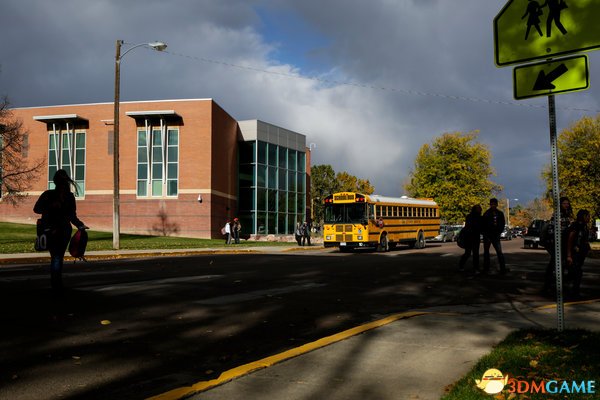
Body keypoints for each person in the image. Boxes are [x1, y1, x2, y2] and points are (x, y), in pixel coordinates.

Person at [33, 169, 88, 290]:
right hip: (60, 230)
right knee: (58, 257)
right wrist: (80, 225)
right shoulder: (62, 196)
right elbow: (72, 216)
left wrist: (79, 225)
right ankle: (57, 283)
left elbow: (36, 209)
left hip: (53, 230)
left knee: (56, 256)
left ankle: (56, 283)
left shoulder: (49, 194)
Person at [542, 196, 573, 293]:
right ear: (560, 204)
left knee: (564, 264)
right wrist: (554, 239)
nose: (566, 205)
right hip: (557, 242)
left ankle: (562, 285)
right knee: (554, 263)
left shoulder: (569, 214)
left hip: (566, 242)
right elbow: (551, 227)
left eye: (567, 203)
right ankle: (547, 285)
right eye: (564, 203)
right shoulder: (557, 214)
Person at [565, 209, 591, 299]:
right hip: (574, 254)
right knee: (576, 273)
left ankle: (570, 292)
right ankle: (573, 293)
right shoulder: (576, 225)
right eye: (588, 216)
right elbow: (570, 240)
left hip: (580, 255)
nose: (589, 218)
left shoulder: (584, 226)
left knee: (574, 274)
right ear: (583, 216)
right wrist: (569, 255)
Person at [482, 198, 508, 274]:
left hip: (495, 235)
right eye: (491, 204)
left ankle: (502, 268)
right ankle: (486, 268)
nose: (493, 205)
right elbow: (483, 224)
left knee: (499, 252)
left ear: (497, 205)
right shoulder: (486, 213)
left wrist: (499, 232)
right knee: (486, 252)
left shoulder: (500, 213)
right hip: (487, 235)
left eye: (494, 204)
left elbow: (502, 224)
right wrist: (484, 233)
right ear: (490, 204)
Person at [458, 205, 483, 273]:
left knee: (469, 253)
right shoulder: (478, 218)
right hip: (472, 237)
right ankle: (475, 268)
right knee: (474, 253)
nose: (480, 210)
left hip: (469, 237)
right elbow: (479, 228)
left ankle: (462, 266)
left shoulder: (469, 216)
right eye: (479, 209)